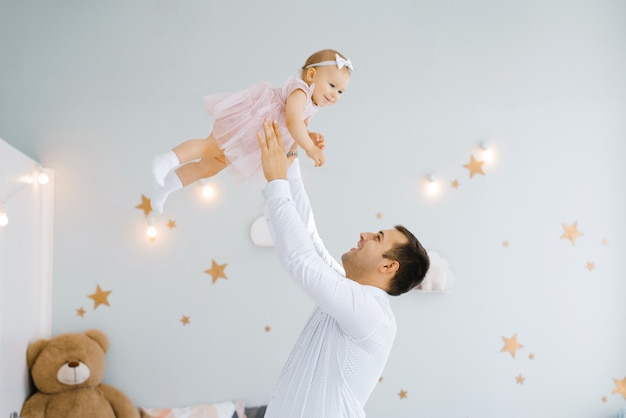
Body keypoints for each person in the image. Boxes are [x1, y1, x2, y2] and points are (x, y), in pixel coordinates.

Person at [256, 119, 431, 418]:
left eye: (377, 238)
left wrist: (276, 183)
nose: (363, 234)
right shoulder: (350, 295)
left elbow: (299, 259)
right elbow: (308, 238)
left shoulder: (372, 314)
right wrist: (290, 161)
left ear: (389, 266)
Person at [150, 49, 353, 214]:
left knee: (211, 167)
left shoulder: (312, 105)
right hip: (246, 123)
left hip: (251, 137)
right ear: (311, 75)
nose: (335, 95)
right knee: (208, 147)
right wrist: (310, 148)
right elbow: (292, 121)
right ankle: (166, 160)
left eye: (340, 91)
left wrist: (307, 136)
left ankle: (166, 187)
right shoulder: (300, 91)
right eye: (332, 85)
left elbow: (297, 127)